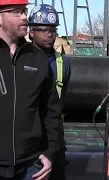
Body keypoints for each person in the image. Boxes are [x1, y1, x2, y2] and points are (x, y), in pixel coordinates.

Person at [0, 0, 62, 179]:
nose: (25, 17)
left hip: (30, 166)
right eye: (17, 12)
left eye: (25, 11)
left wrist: (50, 152)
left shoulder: (37, 59)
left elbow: (51, 111)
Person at [28, 4, 71, 180]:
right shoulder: (21, 59)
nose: (50, 34)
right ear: (31, 31)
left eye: (53, 30)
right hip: (29, 137)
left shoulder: (63, 63)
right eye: (44, 30)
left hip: (54, 138)